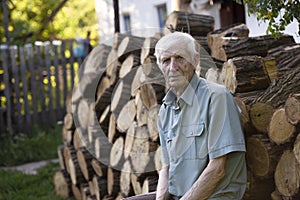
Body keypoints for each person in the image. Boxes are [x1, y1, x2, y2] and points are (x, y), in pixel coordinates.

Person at [123, 31, 247, 200]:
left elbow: (218, 169)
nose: (173, 67)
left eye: (180, 58)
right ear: (160, 66)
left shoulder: (216, 97)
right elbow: (166, 168)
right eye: (166, 60)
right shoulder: (165, 110)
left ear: (195, 60)